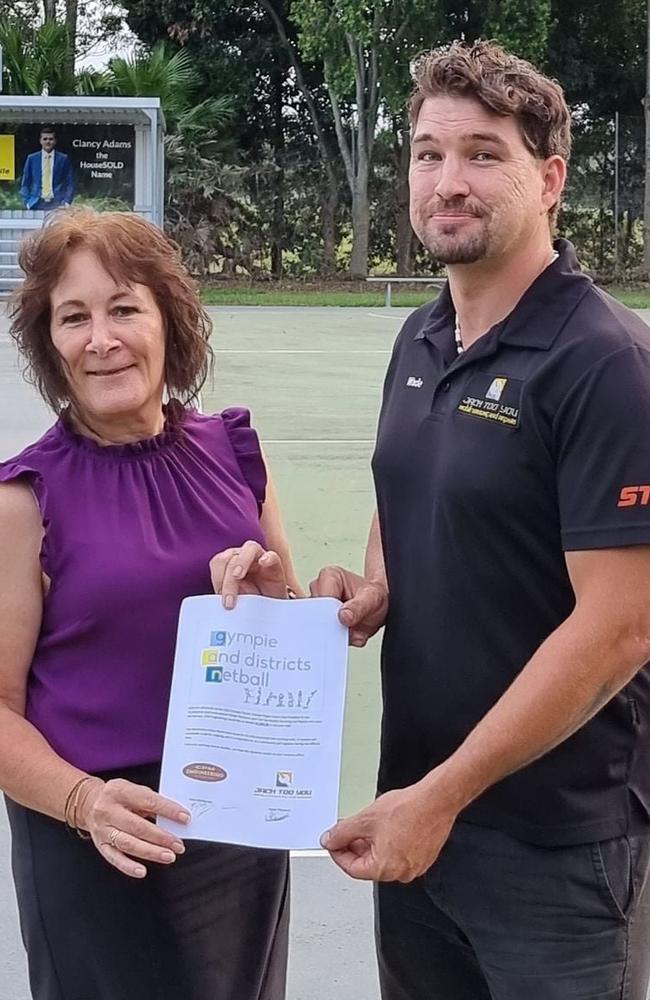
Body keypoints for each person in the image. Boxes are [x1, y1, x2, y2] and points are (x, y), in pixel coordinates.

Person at [223, 40, 650, 999]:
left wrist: (440, 799)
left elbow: (620, 626)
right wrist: (379, 581)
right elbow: (405, 489)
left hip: (554, 845)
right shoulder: (420, 337)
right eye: (426, 153)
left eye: (482, 154)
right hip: (416, 814)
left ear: (549, 178)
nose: (447, 181)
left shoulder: (607, 364)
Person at [0, 207, 301, 1000]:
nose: (101, 339)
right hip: (96, 834)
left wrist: (282, 603)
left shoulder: (232, 448)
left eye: (124, 308)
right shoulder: (24, 497)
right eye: (74, 317)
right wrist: (84, 802)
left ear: (169, 320)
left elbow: (289, 623)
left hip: (237, 816)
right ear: (50, 344)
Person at [19, 126, 74, 210]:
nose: (48, 141)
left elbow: (70, 183)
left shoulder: (63, 159)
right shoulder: (32, 159)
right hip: (36, 203)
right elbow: (25, 184)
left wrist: (66, 202)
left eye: (50, 139)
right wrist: (27, 202)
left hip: (57, 204)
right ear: (40, 141)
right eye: (45, 139)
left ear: (55, 141)